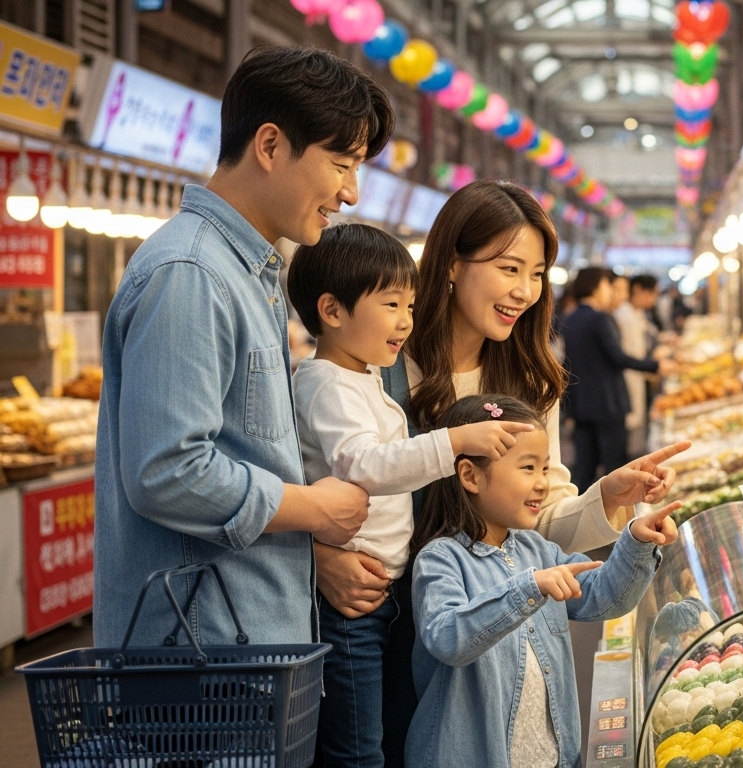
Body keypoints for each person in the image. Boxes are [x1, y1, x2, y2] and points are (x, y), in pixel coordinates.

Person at [300, 180, 685, 768]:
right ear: (453, 264)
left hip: (486, 634)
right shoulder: (379, 356)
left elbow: (539, 523)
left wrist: (606, 498)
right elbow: (309, 469)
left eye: (537, 274)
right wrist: (319, 554)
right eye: (509, 268)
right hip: (378, 613)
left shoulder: (528, 381)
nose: (525, 291)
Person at [93, 46, 391, 647]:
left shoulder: (249, 274)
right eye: (341, 164)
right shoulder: (192, 273)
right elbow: (168, 472)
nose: (351, 193)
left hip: (241, 642)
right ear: (271, 145)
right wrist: (313, 508)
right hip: (200, 657)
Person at [286, 224, 537, 767]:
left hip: (383, 592)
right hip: (349, 605)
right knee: (358, 749)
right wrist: (454, 442)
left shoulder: (361, 377)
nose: (406, 321)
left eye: (411, 306)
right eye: (392, 305)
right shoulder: (328, 384)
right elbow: (365, 464)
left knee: (381, 736)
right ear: (331, 310)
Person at [404, 395, 678, 768]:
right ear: (470, 475)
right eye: (528, 468)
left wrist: (638, 540)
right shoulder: (440, 559)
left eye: (545, 468)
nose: (542, 484)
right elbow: (448, 638)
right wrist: (527, 589)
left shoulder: (536, 548)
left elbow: (603, 596)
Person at [561, 267, 673, 488]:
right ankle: (616, 509)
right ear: (595, 287)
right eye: (606, 286)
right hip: (608, 402)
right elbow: (617, 356)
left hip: (582, 405)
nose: (609, 291)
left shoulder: (570, 317)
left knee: (585, 467)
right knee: (614, 466)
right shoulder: (600, 318)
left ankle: (580, 507)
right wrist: (655, 365)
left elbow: (568, 363)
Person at [616, 274, 662, 458]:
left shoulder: (638, 313)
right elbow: (628, 355)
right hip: (630, 377)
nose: (654, 299)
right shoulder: (623, 315)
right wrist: (652, 365)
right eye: (652, 294)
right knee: (630, 431)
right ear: (638, 290)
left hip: (640, 373)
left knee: (639, 427)